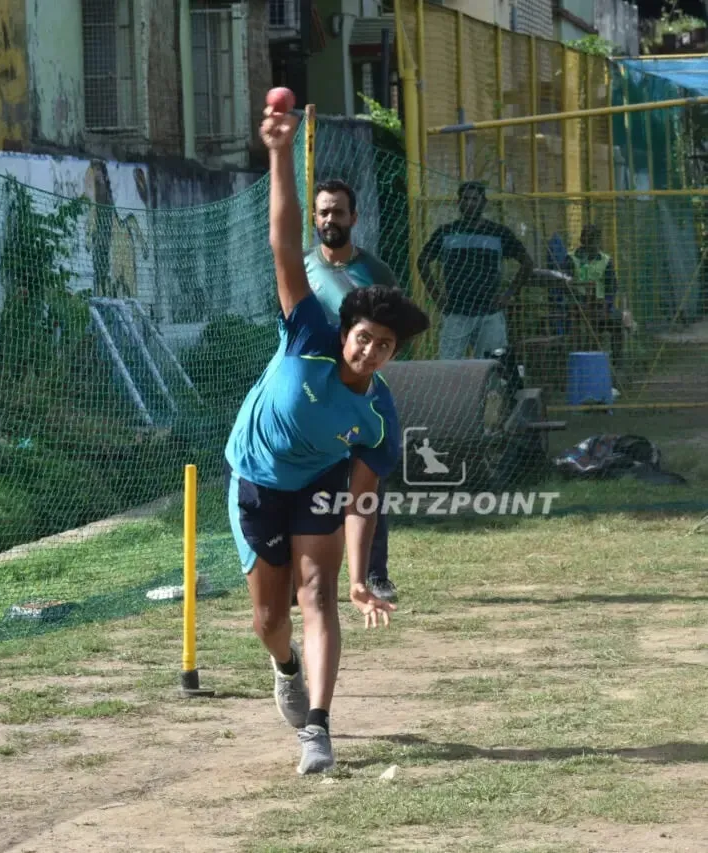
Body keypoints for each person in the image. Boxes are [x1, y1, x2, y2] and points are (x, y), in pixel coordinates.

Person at [224, 101, 430, 776]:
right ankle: (284, 667)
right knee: (269, 618)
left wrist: (363, 576)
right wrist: (280, 152)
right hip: (255, 478)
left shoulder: (376, 417)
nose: (371, 351)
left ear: (392, 354)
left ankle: (317, 728)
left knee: (315, 593)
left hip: (315, 483)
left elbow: (361, 500)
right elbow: (285, 245)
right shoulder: (308, 332)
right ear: (346, 334)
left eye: (385, 345)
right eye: (365, 338)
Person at [303, 178, 400, 603]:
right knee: (310, 480)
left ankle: (374, 574)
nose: (330, 219)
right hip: (315, 393)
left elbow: (392, 330)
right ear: (314, 218)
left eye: (338, 212)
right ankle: (303, 574)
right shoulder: (302, 268)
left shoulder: (375, 272)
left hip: (361, 392)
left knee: (367, 481)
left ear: (353, 218)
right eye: (323, 212)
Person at [417, 180, 533, 359]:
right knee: (448, 366)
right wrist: (437, 296)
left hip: (489, 312)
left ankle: (491, 388)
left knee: (493, 365)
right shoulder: (446, 232)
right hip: (456, 311)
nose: (469, 203)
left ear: (483, 203)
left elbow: (527, 263)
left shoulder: (498, 233)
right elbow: (422, 261)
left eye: (474, 199)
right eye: (465, 199)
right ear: (459, 203)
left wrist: (509, 294)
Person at [562, 224, 626, 369]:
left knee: (616, 321)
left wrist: (607, 303)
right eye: (589, 240)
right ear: (583, 240)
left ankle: (617, 365)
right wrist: (579, 301)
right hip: (577, 308)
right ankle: (579, 363)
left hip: (600, 308)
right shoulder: (571, 259)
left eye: (596, 240)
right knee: (578, 329)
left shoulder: (605, 260)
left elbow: (611, 286)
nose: (593, 244)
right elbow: (565, 286)